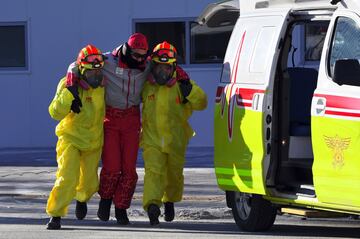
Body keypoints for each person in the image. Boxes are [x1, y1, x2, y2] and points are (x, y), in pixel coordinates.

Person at [141, 41, 208, 225]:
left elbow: (202, 103)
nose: (163, 72)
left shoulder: (182, 84)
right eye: (160, 67)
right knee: (154, 173)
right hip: (151, 139)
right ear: (153, 66)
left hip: (176, 139)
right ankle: (152, 206)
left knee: (174, 175)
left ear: (173, 67)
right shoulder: (146, 85)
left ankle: (169, 201)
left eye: (167, 67)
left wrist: (191, 92)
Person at [46, 44, 106, 230]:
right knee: (66, 177)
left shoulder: (103, 87)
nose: (95, 76)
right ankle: (55, 215)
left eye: (98, 71)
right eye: (90, 72)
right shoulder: (67, 84)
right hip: (70, 138)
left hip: (93, 141)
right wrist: (69, 95)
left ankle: (82, 199)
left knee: (89, 182)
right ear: (81, 70)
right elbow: (54, 112)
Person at [97, 33, 149, 225]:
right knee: (111, 166)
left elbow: (171, 66)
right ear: (127, 51)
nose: (140, 60)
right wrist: (70, 83)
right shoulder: (107, 60)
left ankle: (121, 208)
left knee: (129, 169)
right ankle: (105, 200)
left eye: (143, 56)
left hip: (132, 120)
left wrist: (184, 81)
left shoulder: (146, 64)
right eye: (136, 56)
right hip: (110, 118)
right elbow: (77, 65)